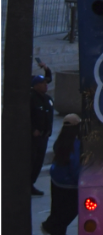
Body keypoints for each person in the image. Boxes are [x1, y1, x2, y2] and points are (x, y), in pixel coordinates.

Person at [41, 113, 82, 235]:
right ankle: (52, 229)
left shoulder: (61, 140)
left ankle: (57, 234)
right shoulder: (75, 143)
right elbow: (75, 165)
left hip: (57, 179)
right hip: (69, 182)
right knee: (71, 209)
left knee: (58, 208)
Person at [30, 63, 54, 195]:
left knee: (38, 162)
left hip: (44, 136)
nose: (46, 85)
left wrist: (46, 69)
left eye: (46, 82)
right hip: (34, 138)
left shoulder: (47, 99)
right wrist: (33, 129)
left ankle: (32, 183)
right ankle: (26, 184)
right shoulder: (31, 98)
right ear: (36, 85)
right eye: (42, 83)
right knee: (31, 161)